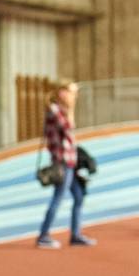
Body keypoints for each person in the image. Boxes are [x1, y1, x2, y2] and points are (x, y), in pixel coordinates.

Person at [36, 80, 94, 248]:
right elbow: (68, 127)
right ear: (62, 93)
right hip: (62, 162)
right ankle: (43, 235)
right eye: (72, 92)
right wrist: (71, 108)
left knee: (79, 196)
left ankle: (75, 235)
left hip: (69, 162)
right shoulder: (55, 111)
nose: (74, 97)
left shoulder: (60, 110)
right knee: (58, 197)